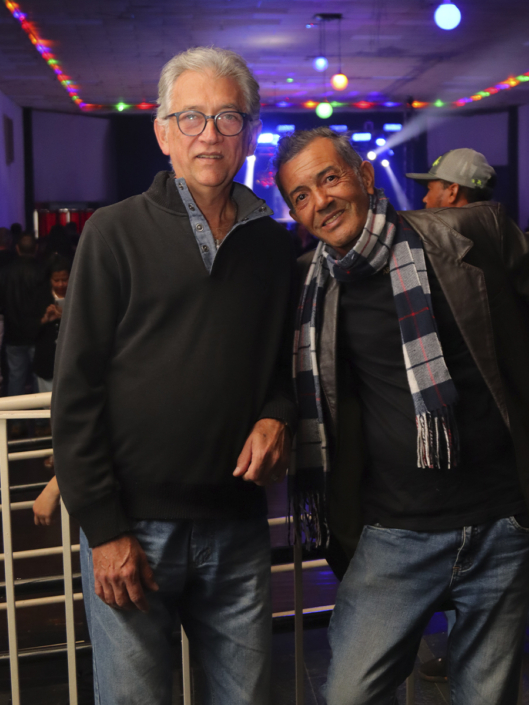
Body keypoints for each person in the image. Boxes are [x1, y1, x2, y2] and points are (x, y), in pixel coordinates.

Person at [52, 46, 296, 705]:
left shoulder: (273, 245)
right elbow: (75, 394)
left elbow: (281, 366)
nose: (208, 134)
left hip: (237, 525)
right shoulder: (113, 232)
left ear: (250, 131)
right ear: (162, 133)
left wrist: (276, 413)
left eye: (227, 116)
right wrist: (104, 529)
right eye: (190, 117)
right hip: (133, 526)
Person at [274, 127, 529, 705]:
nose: (321, 201)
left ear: (364, 176)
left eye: (330, 178)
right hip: (397, 534)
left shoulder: (470, 233)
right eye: (301, 196)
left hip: (501, 523)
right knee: (349, 694)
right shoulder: (310, 288)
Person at [406, 147, 496, 683]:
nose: (425, 197)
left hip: (470, 443)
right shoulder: (510, 241)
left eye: (433, 187)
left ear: (454, 193)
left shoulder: (441, 252)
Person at [0, 232, 42, 398]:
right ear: (36, 248)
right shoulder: (41, 271)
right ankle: (42, 413)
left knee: (16, 377)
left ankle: (15, 414)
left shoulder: (5, 272)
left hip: (13, 333)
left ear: (17, 248)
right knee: (39, 377)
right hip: (37, 333)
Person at [407, 147, 496, 210]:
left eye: (430, 189)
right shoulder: (498, 227)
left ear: (453, 192)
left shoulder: (440, 233)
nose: (425, 199)